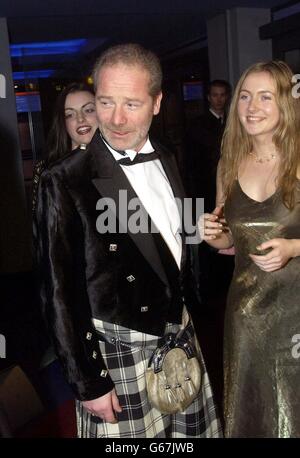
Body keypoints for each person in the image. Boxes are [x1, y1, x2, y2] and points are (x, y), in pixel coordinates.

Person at [35, 43, 221, 438]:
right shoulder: (65, 180)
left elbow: (165, 234)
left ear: (157, 103)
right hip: (117, 347)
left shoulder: (168, 156)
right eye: (105, 102)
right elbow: (58, 293)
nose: (116, 120)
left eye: (132, 105)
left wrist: (200, 230)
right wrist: (89, 383)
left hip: (179, 330)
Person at [201, 60, 300, 437]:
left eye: (265, 97)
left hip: (295, 312)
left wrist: (292, 246)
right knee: (251, 411)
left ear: (286, 104)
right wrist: (214, 234)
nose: (251, 107)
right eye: (244, 97)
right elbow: (230, 239)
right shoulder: (228, 163)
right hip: (246, 314)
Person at [32, 82, 98, 213]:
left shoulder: (121, 162)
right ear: (63, 122)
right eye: (70, 114)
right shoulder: (49, 172)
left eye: (89, 110)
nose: (80, 119)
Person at [187, 79, 231, 210]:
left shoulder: (232, 122)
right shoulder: (197, 124)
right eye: (215, 95)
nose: (219, 99)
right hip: (204, 184)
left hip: (228, 181)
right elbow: (191, 160)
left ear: (227, 97)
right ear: (209, 98)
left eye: (222, 95)